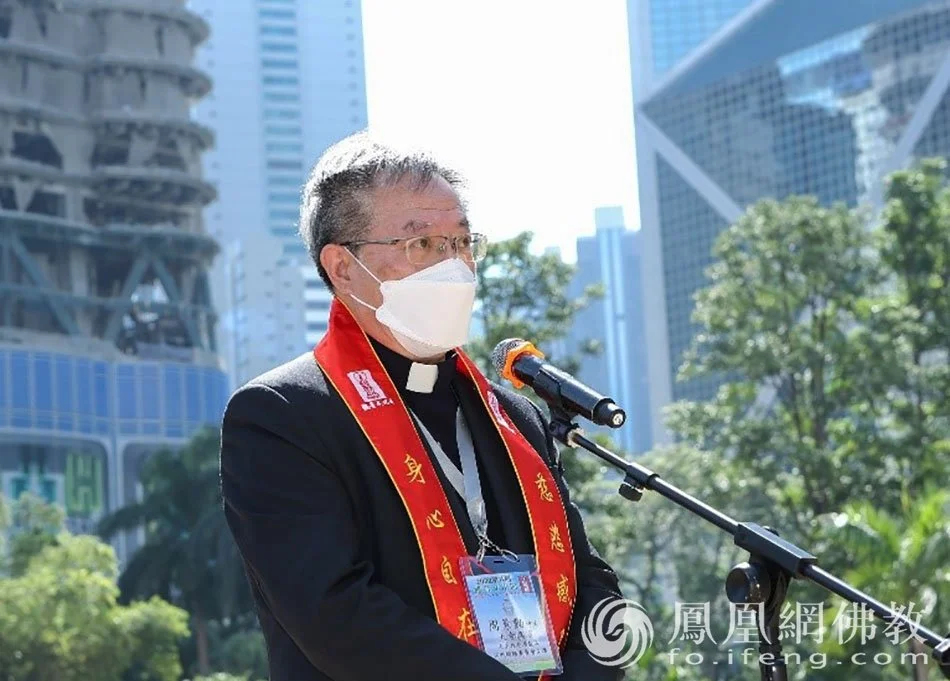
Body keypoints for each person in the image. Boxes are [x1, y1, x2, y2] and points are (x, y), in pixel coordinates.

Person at [220, 132, 625, 681]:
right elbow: (335, 613)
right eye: (423, 245)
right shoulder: (283, 415)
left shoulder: (517, 416)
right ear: (342, 268)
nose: (455, 266)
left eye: (461, 242)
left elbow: (590, 580)